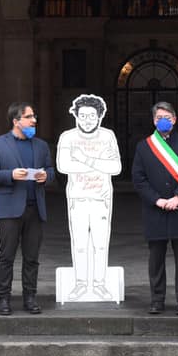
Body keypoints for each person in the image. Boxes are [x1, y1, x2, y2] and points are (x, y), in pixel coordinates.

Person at [131, 101, 178, 316]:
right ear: (154, 121)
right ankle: (157, 300)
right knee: (156, 260)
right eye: (159, 118)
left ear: (174, 119)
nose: (163, 121)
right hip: (155, 210)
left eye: (167, 117)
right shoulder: (144, 146)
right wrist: (157, 200)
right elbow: (138, 179)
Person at [0, 102, 56, 315]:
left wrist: (46, 177)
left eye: (34, 116)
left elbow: (51, 171)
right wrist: (10, 175)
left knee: (32, 257)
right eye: (30, 117)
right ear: (16, 121)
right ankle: (3, 298)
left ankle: (30, 297)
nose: (34, 120)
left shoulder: (41, 145)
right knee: (6, 256)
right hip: (9, 209)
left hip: (35, 209)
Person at [56, 94, 122, 300]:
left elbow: (116, 167)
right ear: (76, 116)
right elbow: (64, 166)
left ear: (100, 116)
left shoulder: (108, 136)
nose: (87, 120)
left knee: (101, 242)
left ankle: (100, 283)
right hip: (77, 198)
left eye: (92, 116)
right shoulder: (67, 137)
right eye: (82, 116)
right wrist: (99, 161)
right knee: (80, 243)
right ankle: (81, 283)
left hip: (101, 199)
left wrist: (84, 158)